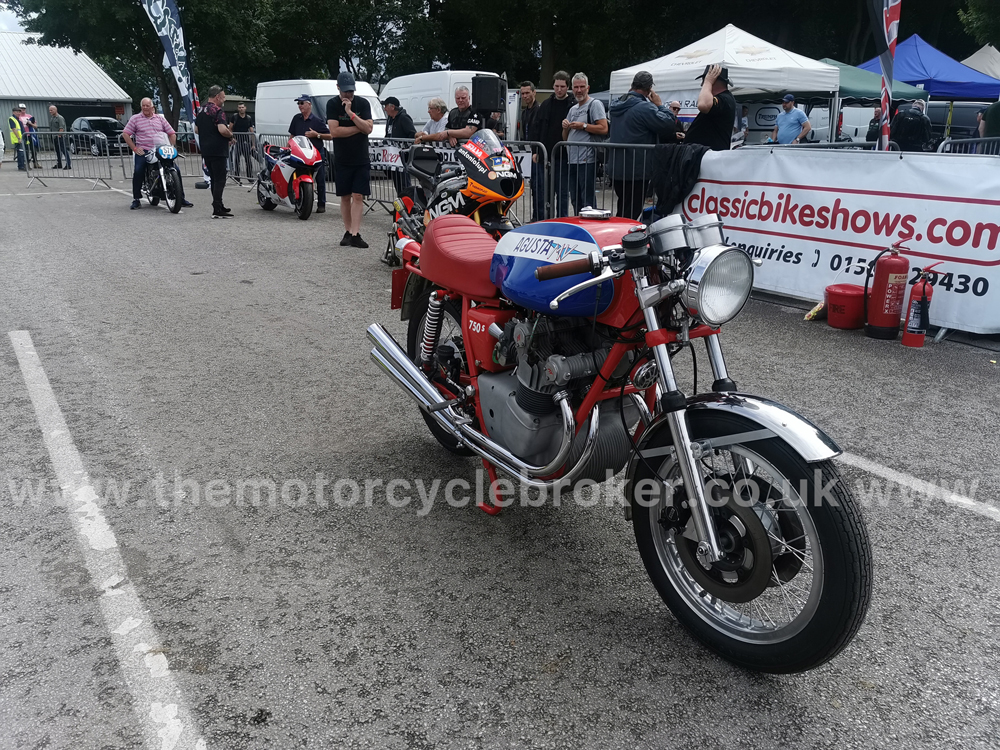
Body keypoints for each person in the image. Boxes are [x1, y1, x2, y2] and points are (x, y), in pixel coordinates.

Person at [607, 70, 678, 220]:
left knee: (623, 207)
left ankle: (619, 235)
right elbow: (669, 123)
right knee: (631, 211)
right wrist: (660, 105)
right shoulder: (645, 108)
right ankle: (625, 241)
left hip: (618, 167)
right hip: (636, 168)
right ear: (649, 89)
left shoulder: (616, 105)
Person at [324, 71, 374, 248]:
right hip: (342, 157)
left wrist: (350, 114)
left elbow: (369, 129)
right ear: (338, 88)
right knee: (345, 197)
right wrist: (358, 127)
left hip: (361, 157)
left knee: (358, 196)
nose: (349, 95)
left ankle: (355, 233)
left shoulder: (363, 103)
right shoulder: (331, 104)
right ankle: (347, 230)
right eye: (345, 91)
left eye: (351, 91)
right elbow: (335, 132)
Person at [122, 97, 193, 210]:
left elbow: (172, 133)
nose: (145, 108)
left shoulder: (160, 119)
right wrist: (135, 148)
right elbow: (125, 134)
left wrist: (171, 147)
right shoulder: (135, 119)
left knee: (176, 170)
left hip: (160, 148)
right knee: (138, 169)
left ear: (152, 107)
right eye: (143, 106)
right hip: (144, 150)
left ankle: (181, 198)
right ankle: (136, 199)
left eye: (147, 105)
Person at [561, 72, 607, 215]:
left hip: (587, 159)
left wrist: (584, 126)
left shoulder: (595, 104)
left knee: (587, 200)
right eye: (576, 87)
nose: (579, 90)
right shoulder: (573, 109)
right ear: (572, 89)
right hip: (572, 160)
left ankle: (590, 228)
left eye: (582, 87)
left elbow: (604, 128)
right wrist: (565, 127)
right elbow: (564, 137)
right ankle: (578, 225)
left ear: (588, 88)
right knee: (575, 199)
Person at [530, 71, 574, 217]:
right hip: (545, 156)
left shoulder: (572, 104)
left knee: (562, 193)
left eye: (562, 86)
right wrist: (535, 151)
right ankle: (546, 221)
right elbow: (536, 128)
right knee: (545, 193)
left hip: (564, 157)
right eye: (556, 86)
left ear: (567, 86)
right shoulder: (546, 104)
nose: (559, 89)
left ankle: (562, 221)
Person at [195, 85, 234, 217]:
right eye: (223, 97)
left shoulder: (201, 110)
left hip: (206, 149)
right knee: (220, 179)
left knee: (213, 178)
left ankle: (218, 204)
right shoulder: (218, 111)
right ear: (217, 97)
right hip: (218, 149)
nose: (224, 100)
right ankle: (217, 207)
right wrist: (230, 135)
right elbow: (222, 130)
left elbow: (196, 129)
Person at [288, 94, 330, 213]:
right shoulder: (296, 118)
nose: (300, 106)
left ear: (309, 104)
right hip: (300, 154)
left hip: (316, 154)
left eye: (302, 103)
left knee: (320, 179)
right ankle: (299, 201)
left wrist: (317, 135)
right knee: (297, 176)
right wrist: (287, 147)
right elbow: (292, 135)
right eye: (298, 104)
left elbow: (331, 135)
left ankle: (321, 204)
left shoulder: (317, 121)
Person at [685, 65, 738, 152]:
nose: (702, 84)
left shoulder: (725, 98)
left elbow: (703, 105)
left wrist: (708, 82)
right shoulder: (724, 98)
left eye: (703, 80)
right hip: (705, 156)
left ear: (714, 79)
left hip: (710, 157)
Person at [415, 86, 483, 147]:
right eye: (458, 98)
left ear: (469, 98)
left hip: (474, 149)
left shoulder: (474, 112)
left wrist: (449, 133)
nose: (460, 100)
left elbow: (468, 132)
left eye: (463, 98)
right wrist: (450, 136)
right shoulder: (453, 112)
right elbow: (445, 131)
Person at [517, 81, 543, 220]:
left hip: (537, 153)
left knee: (539, 188)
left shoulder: (539, 109)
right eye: (523, 93)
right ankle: (535, 216)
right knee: (533, 187)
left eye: (527, 93)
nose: (525, 96)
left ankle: (540, 216)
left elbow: (541, 131)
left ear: (534, 92)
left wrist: (537, 151)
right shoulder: (524, 112)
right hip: (528, 153)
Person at [382, 96, 415, 198]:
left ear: (392, 107)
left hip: (402, 157)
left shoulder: (404, 118)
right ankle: (401, 205)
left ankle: (409, 206)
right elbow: (388, 134)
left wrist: (404, 148)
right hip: (392, 157)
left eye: (386, 106)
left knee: (404, 183)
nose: (384, 108)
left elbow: (412, 134)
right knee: (397, 183)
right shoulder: (390, 119)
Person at [230, 102, 255, 180]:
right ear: (238, 108)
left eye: (242, 107)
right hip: (236, 141)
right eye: (240, 107)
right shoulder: (234, 117)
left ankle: (250, 177)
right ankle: (237, 177)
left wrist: (253, 144)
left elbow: (251, 131)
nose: (241, 109)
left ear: (245, 108)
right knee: (237, 160)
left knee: (248, 160)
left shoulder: (248, 118)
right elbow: (230, 128)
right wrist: (231, 138)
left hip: (246, 141)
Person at [48, 105, 71, 170]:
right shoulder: (52, 118)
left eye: (51, 110)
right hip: (54, 137)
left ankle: (68, 164)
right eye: (49, 110)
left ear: (55, 110)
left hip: (60, 137)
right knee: (58, 151)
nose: (50, 111)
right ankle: (59, 163)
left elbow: (61, 128)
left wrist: (59, 135)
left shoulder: (60, 118)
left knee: (64, 150)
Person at [8, 106, 25, 171]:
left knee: (22, 152)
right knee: (20, 152)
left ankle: (22, 165)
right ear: (13, 112)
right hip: (18, 139)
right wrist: (18, 138)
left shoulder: (18, 119)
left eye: (19, 112)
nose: (18, 113)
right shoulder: (12, 119)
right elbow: (14, 129)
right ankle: (21, 166)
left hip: (21, 138)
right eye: (17, 112)